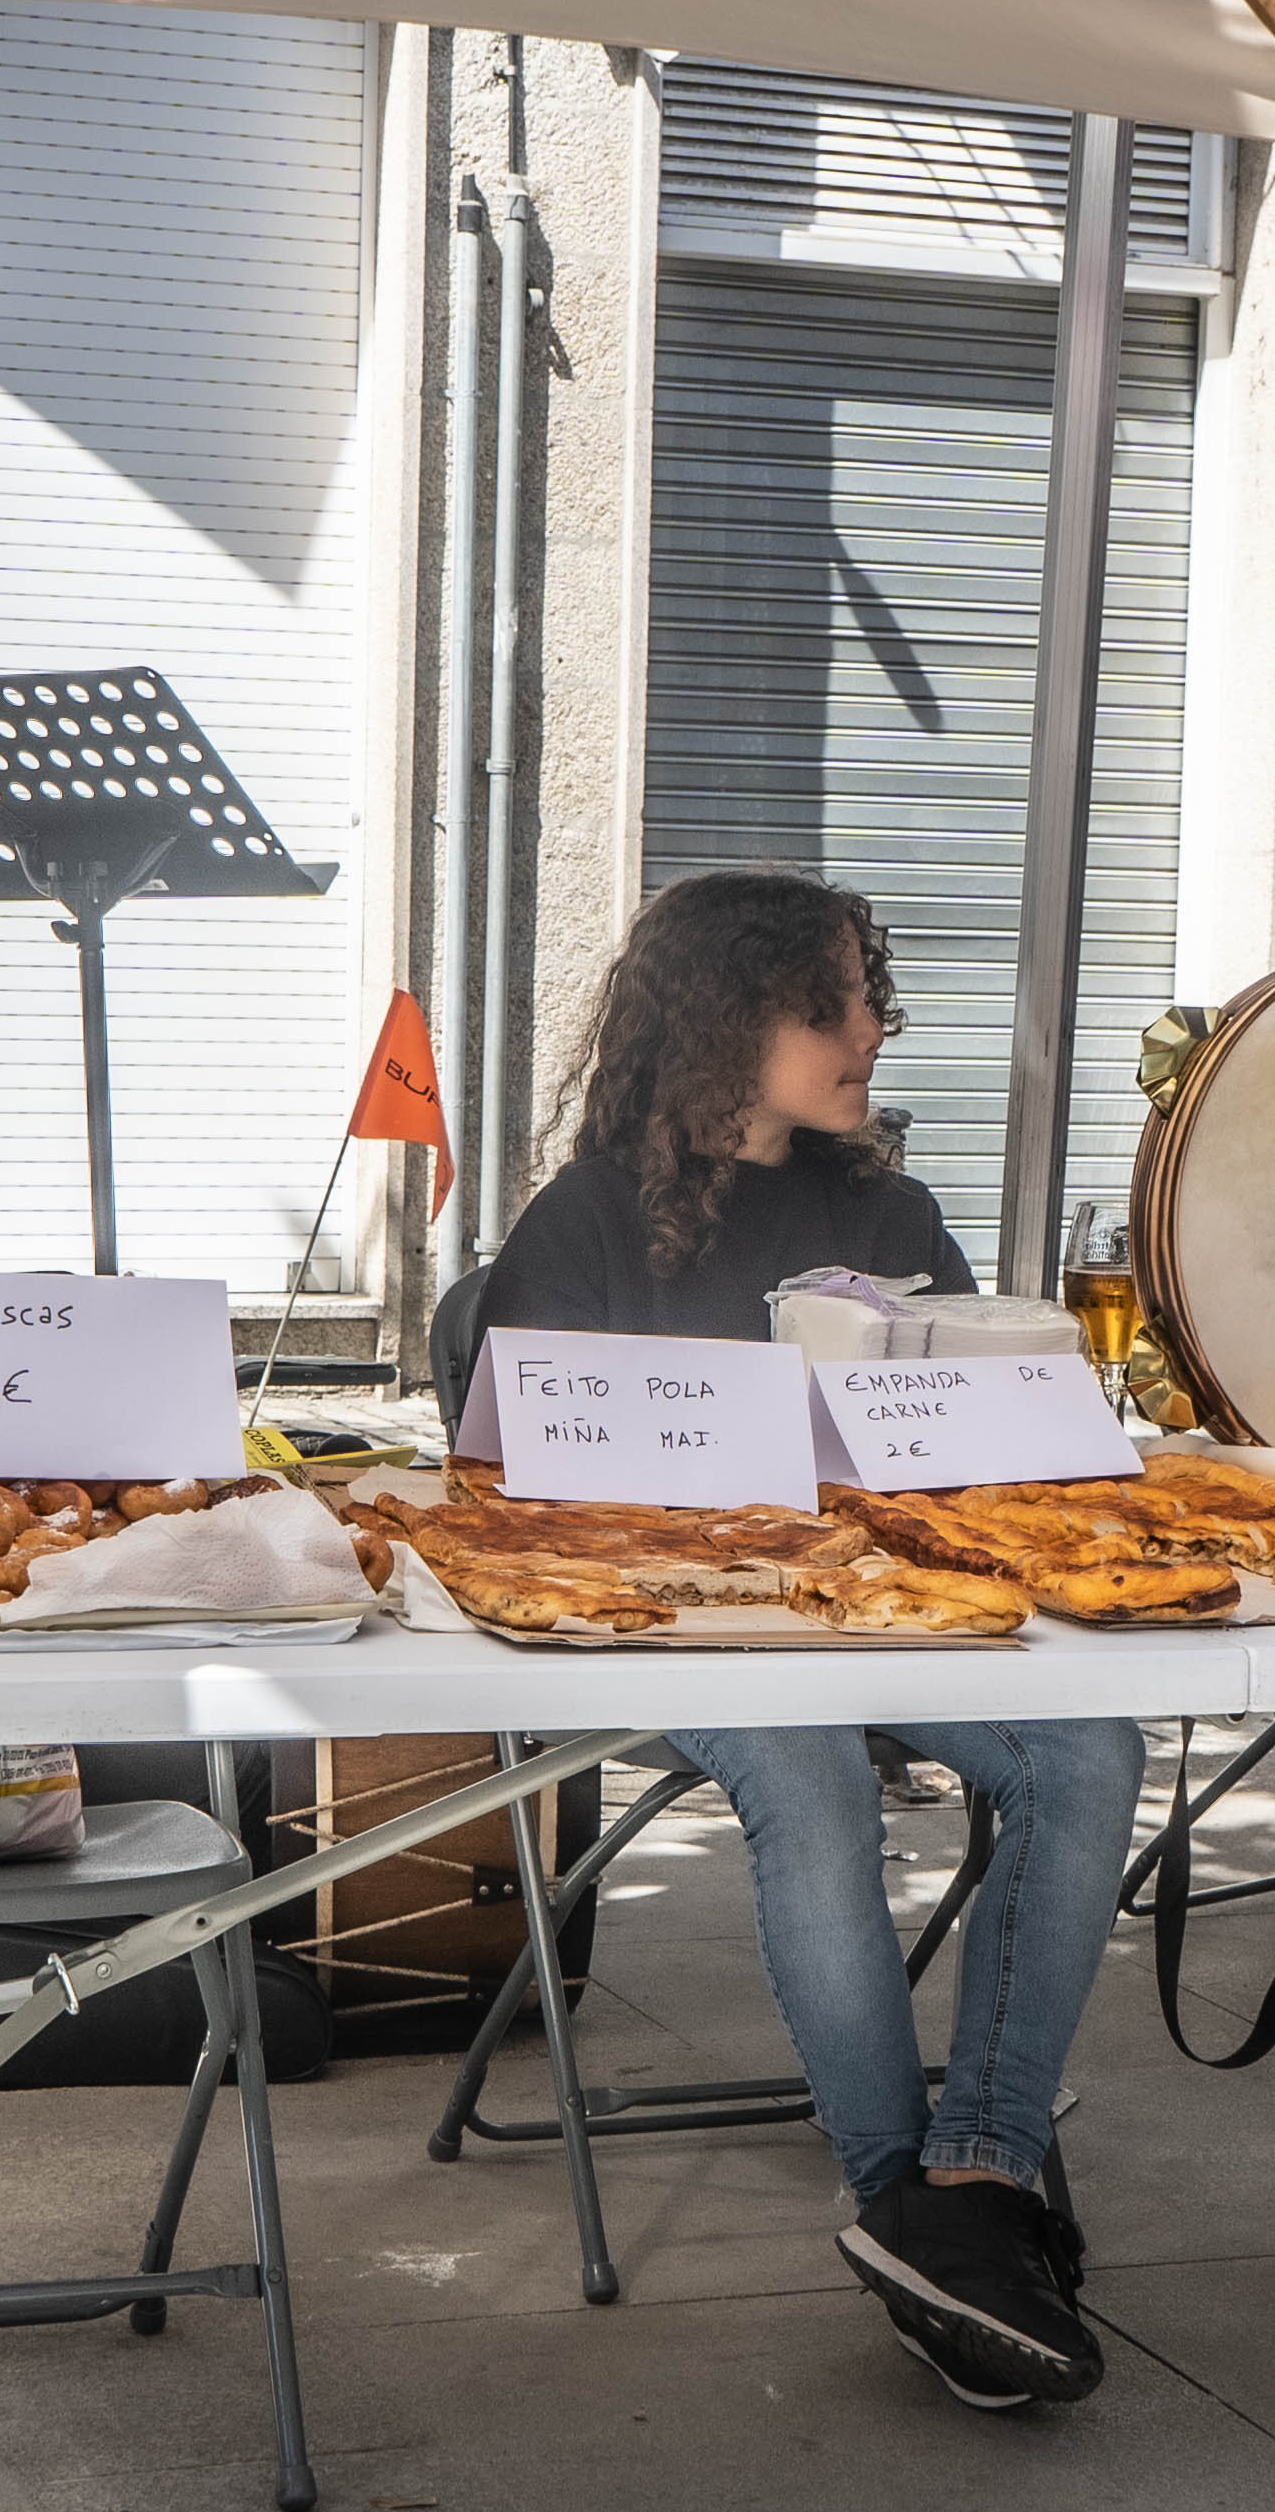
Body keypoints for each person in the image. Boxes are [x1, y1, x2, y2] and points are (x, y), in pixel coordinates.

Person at [457, 868, 1148, 2413]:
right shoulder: (585, 1221)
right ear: (723, 1018)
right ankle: (911, 2194)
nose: (871, 1028)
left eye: (870, 993)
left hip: (886, 1613)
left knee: (1090, 1748)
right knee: (812, 1773)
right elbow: (496, 1484)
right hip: (673, 1634)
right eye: (830, 1000)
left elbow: (973, 1446)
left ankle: (967, 2182)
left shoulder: (886, 1207)